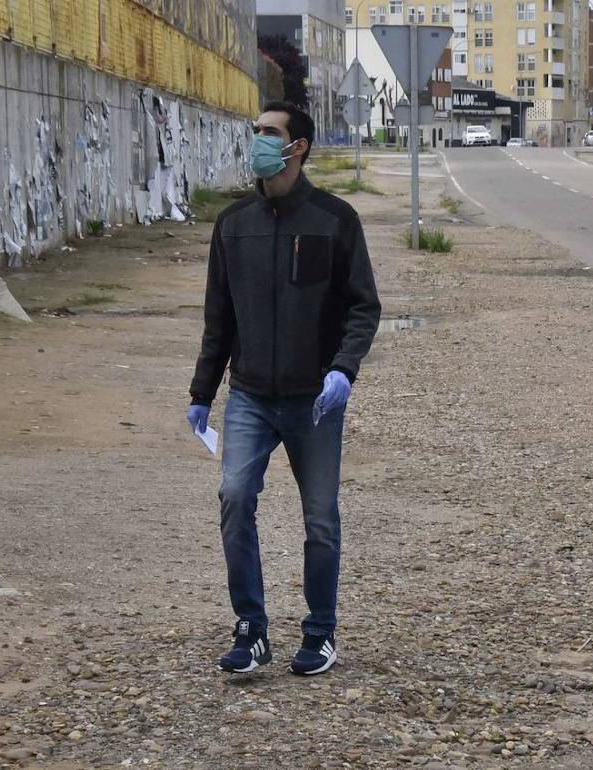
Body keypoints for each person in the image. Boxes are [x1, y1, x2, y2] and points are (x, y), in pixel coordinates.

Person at [187, 101, 381, 676]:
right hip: (249, 394)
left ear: (298, 147)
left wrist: (343, 368)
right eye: (254, 132)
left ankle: (320, 632)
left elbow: (363, 306)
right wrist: (202, 392)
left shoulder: (335, 220)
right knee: (234, 498)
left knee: (320, 517)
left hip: (313, 401)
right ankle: (251, 629)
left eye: (268, 133)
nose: (257, 142)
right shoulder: (233, 224)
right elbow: (218, 317)